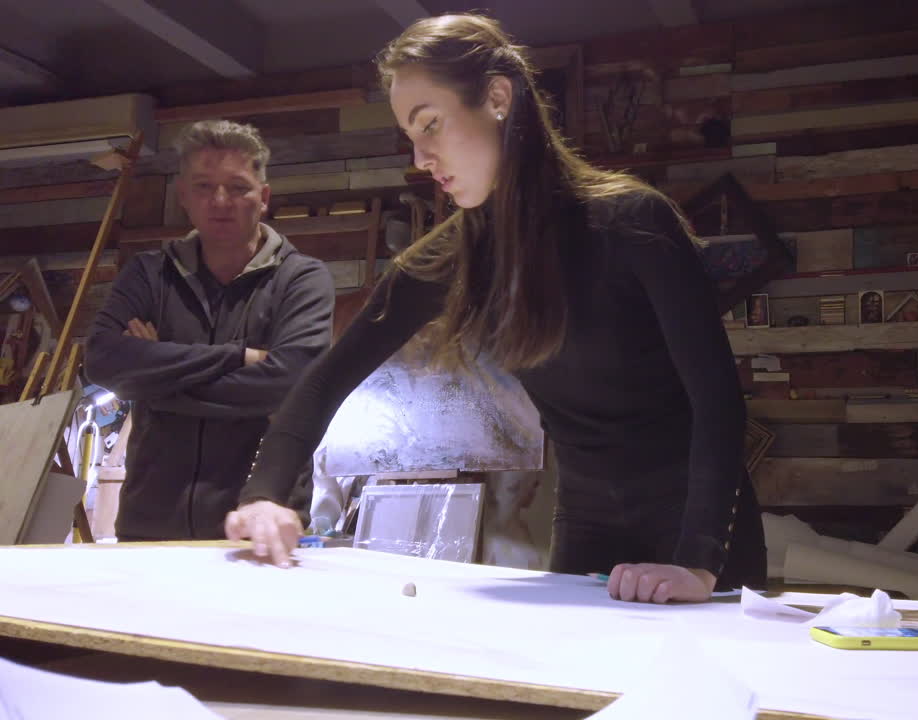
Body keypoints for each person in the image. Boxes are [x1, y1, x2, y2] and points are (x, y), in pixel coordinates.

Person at [226, 13, 766, 604]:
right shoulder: (449, 258)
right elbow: (327, 377)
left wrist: (697, 563)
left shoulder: (633, 220)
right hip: (587, 523)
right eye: (411, 136)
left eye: (431, 125)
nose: (421, 157)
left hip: (696, 531)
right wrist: (264, 494)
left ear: (498, 99)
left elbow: (717, 399)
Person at [85, 120, 335, 541]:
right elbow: (101, 362)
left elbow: (291, 384)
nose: (220, 201)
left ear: (263, 198)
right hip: (148, 528)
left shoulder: (302, 280)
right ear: (183, 196)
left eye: (237, 187)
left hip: (260, 526)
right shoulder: (148, 275)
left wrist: (155, 382)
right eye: (204, 186)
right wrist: (237, 357)